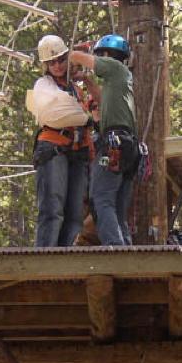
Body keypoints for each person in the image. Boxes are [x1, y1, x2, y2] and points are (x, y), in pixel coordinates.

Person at [26, 35, 99, 247]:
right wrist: (83, 118)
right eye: (51, 62)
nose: (57, 65)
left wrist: (86, 79)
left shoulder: (75, 89)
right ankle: (45, 261)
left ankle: (67, 260)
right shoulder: (44, 86)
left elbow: (88, 115)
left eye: (60, 59)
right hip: (54, 149)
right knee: (52, 211)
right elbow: (68, 115)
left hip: (78, 152)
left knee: (75, 215)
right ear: (45, 65)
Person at [69, 34, 139, 246]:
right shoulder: (118, 82)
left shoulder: (116, 69)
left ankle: (115, 250)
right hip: (127, 146)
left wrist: (70, 53)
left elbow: (78, 57)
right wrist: (88, 81)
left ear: (107, 56)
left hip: (114, 143)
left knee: (101, 200)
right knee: (117, 207)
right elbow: (101, 100)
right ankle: (124, 250)